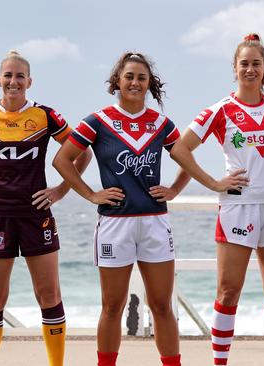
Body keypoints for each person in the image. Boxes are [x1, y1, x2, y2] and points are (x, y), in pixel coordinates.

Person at [168, 33, 264, 366]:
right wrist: (212, 182)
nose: (250, 70)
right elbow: (180, 148)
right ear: (234, 69)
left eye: (256, 64)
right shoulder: (221, 110)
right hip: (237, 207)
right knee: (228, 292)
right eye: (244, 64)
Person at [0, 50, 91, 366]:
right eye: (8, 75)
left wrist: (60, 190)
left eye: (20, 76)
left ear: (29, 81)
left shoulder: (45, 116)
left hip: (35, 215)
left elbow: (82, 154)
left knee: (49, 297)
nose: (13, 82)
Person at [52, 52, 187, 366]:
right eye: (129, 77)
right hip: (115, 224)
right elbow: (61, 160)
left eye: (142, 77)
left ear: (149, 83)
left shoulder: (162, 123)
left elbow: (187, 159)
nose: (135, 83)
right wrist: (90, 194)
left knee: (162, 306)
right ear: (117, 81)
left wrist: (175, 189)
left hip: (155, 221)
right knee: (113, 306)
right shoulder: (98, 121)